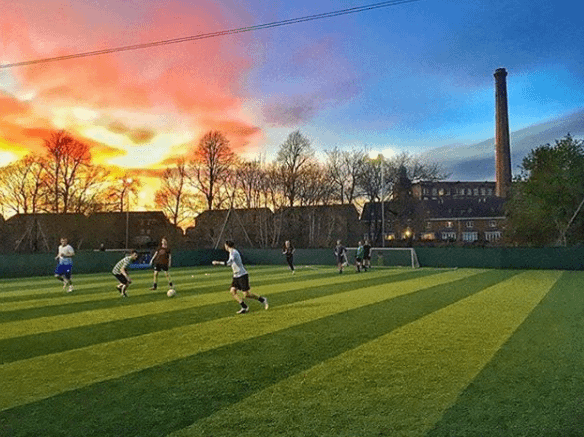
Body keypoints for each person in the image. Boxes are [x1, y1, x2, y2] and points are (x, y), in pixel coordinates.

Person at [212, 240, 268, 314]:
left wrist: (217, 262)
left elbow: (229, 263)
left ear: (227, 246)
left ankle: (263, 300)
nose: (225, 247)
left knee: (246, 295)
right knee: (232, 291)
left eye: (225, 245)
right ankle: (244, 307)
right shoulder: (231, 252)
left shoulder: (233, 252)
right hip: (236, 276)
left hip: (242, 275)